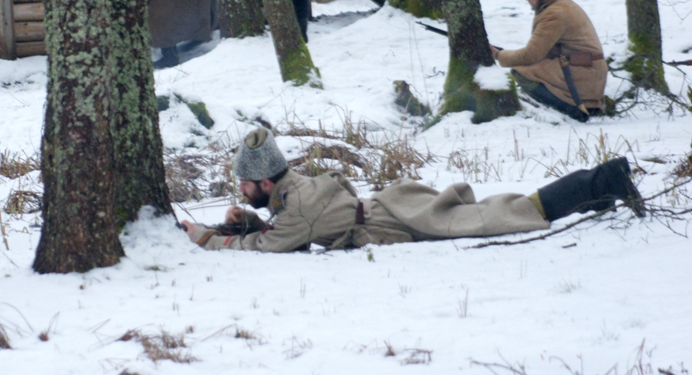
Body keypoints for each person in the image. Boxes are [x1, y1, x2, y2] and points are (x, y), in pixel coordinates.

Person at [181, 128, 644, 252]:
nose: (239, 190)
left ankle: (603, 181)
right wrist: (250, 221)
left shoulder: (296, 202)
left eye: (245, 185)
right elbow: (283, 228)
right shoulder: (289, 193)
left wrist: (208, 238)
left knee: (501, 216)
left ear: (265, 182)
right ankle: (599, 190)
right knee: (497, 210)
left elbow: (273, 245)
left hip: (394, 219)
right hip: (389, 208)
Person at [490, 0, 607, 122]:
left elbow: (530, 55)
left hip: (581, 74)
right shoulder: (562, 5)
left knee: (520, 73)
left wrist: (498, 55)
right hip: (585, 73)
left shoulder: (554, 13)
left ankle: (572, 112)